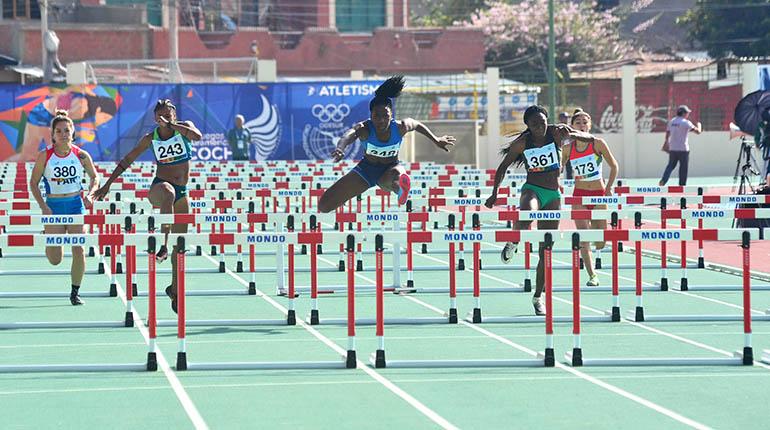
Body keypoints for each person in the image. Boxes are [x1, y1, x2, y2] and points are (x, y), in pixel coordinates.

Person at [484, 105, 597, 315]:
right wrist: (494, 193)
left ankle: (538, 297)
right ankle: (514, 241)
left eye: (542, 123)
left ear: (547, 121)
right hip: (533, 190)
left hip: (553, 195)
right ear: (527, 125)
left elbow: (589, 139)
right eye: (534, 124)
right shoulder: (522, 143)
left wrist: (576, 134)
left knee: (546, 251)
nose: (539, 127)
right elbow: (502, 167)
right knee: (527, 215)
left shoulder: (556, 132)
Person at [93, 99, 202, 313]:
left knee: (180, 248)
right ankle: (162, 244)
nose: (164, 118)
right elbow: (127, 160)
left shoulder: (185, 128)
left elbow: (197, 136)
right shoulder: (150, 138)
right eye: (160, 116)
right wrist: (107, 185)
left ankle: (174, 288)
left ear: (174, 114)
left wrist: (172, 126)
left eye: (168, 115)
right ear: (155, 118)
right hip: (159, 189)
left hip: (183, 193)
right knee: (168, 193)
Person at [318, 76, 456, 213]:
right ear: (370, 115)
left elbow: (416, 124)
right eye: (377, 116)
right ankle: (394, 187)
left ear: (392, 115)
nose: (381, 120)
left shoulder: (401, 127)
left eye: (386, 116)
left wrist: (436, 140)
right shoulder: (365, 128)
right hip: (366, 171)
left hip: (390, 168)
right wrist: (340, 147)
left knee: (396, 176)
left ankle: (401, 188)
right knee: (324, 206)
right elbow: (349, 134)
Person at [29, 110, 100, 305]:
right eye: (58, 131)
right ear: (52, 135)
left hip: (76, 205)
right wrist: (43, 206)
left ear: (73, 132)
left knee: (79, 248)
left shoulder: (81, 155)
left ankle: (75, 292)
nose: (63, 134)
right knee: (55, 259)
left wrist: (91, 194)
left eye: (66, 130)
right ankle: (48, 235)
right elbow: (33, 183)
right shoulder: (45, 156)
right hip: (53, 206)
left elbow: (95, 177)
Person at [560, 109, 619, 287]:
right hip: (579, 196)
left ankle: (593, 245)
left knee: (600, 242)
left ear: (590, 125)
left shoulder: (598, 143)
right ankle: (592, 274)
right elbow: (558, 169)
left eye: (585, 122)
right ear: (572, 126)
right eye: (578, 122)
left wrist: (608, 188)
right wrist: (557, 181)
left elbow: (614, 166)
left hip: (598, 195)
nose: (582, 125)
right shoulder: (568, 148)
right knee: (583, 237)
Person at [659, 105, 702, 186]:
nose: (688, 114)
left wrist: (666, 143)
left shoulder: (671, 121)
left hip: (673, 149)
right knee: (683, 168)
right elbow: (698, 132)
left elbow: (667, 134)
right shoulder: (686, 122)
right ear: (683, 113)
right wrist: (699, 125)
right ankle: (682, 185)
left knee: (670, 166)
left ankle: (663, 181)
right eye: (687, 113)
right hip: (683, 149)